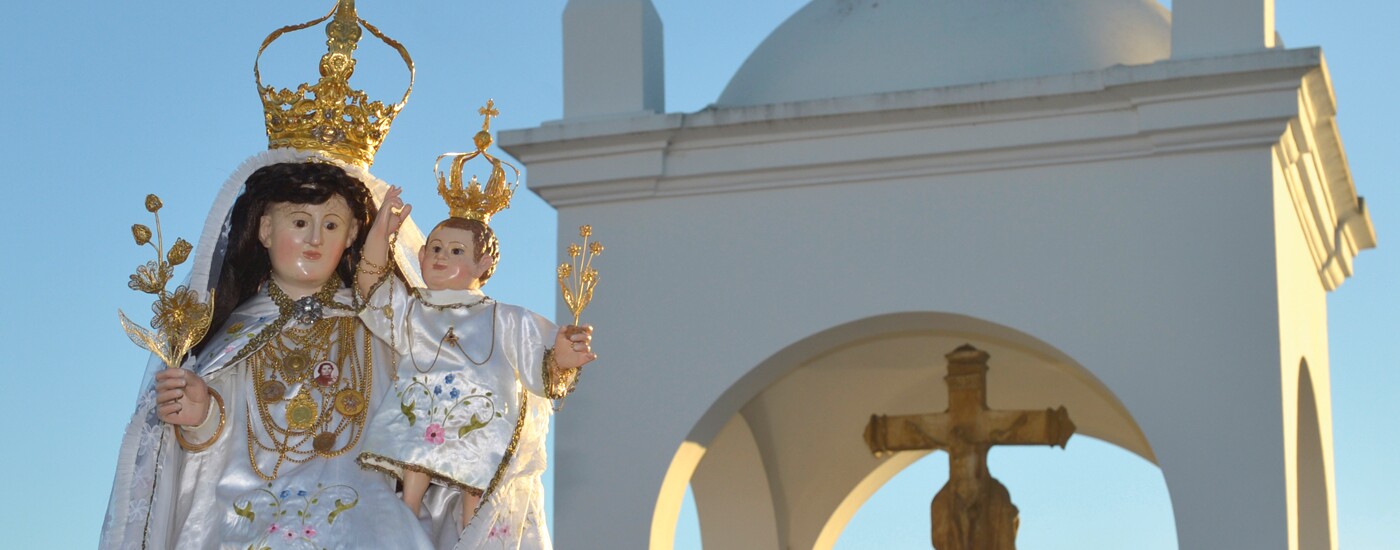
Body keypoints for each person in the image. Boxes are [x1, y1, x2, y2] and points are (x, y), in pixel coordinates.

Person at [102, 161, 443, 549]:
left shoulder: (378, 327)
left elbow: (423, 409)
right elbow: (214, 448)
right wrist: (201, 415)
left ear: (351, 234)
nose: (314, 238)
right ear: (266, 229)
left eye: (330, 225)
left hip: (362, 517)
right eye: (299, 223)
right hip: (244, 517)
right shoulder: (237, 333)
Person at [354, 185, 595, 548]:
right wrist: (380, 233)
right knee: (414, 464)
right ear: (419, 256)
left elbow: (541, 367)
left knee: (478, 487)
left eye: (456, 251)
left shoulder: (507, 318)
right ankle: (403, 523)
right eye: (434, 248)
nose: (440, 257)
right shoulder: (413, 311)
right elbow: (371, 286)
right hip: (420, 414)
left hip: (482, 425)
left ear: (483, 265)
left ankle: (475, 534)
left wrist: (561, 358)